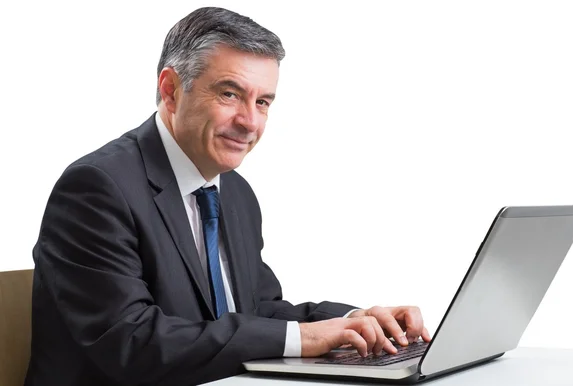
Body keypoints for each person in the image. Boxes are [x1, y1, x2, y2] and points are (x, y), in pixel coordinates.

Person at [25, 6, 431, 386]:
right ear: (170, 90)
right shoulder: (96, 187)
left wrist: (355, 320)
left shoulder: (234, 192)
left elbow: (256, 312)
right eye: (229, 94)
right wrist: (303, 338)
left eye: (263, 102)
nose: (249, 122)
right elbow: (132, 343)